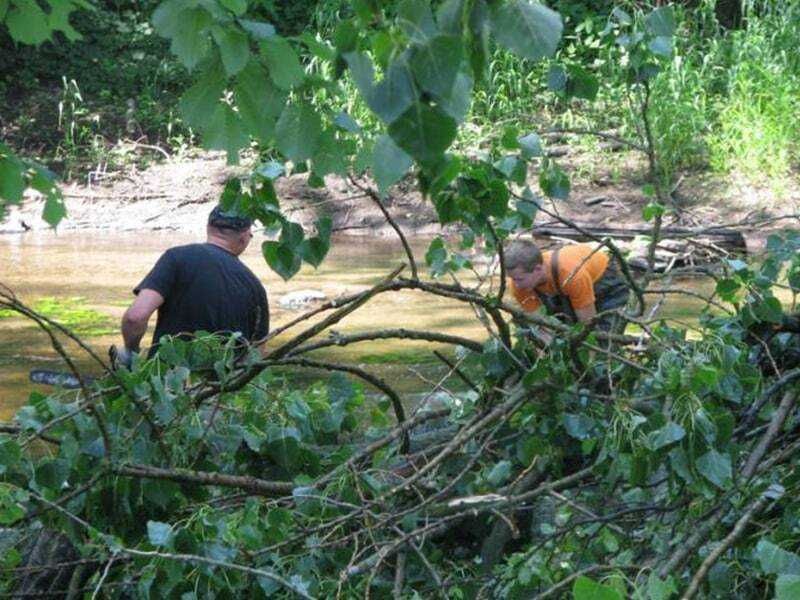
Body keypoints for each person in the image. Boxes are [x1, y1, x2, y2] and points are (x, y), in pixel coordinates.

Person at [116, 205, 269, 366]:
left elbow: (135, 318)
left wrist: (130, 354)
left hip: (166, 382)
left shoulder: (177, 258)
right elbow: (255, 357)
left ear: (208, 227)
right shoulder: (256, 287)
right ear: (244, 237)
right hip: (222, 387)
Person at [504, 239, 629, 335]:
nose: (516, 284)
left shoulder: (572, 275)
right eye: (512, 278)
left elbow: (588, 325)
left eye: (519, 279)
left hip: (604, 282)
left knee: (604, 335)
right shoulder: (518, 285)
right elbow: (541, 325)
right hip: (564, 287)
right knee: (551, 332)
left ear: (538, 269)